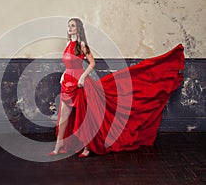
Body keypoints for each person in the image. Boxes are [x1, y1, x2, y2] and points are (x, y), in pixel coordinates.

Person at [49, 17, 185, 157]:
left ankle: (87, 147)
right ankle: (59, 144)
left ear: (78, 29)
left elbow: (92, 63)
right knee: (64, 117)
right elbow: (69, 64)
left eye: (73, 26)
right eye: (69, 26)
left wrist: (83, 77)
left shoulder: (82, 45)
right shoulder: (67, 43)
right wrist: (64, 74)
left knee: (86, 118)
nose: (70, 28)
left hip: (80, 84)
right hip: (67, 83)